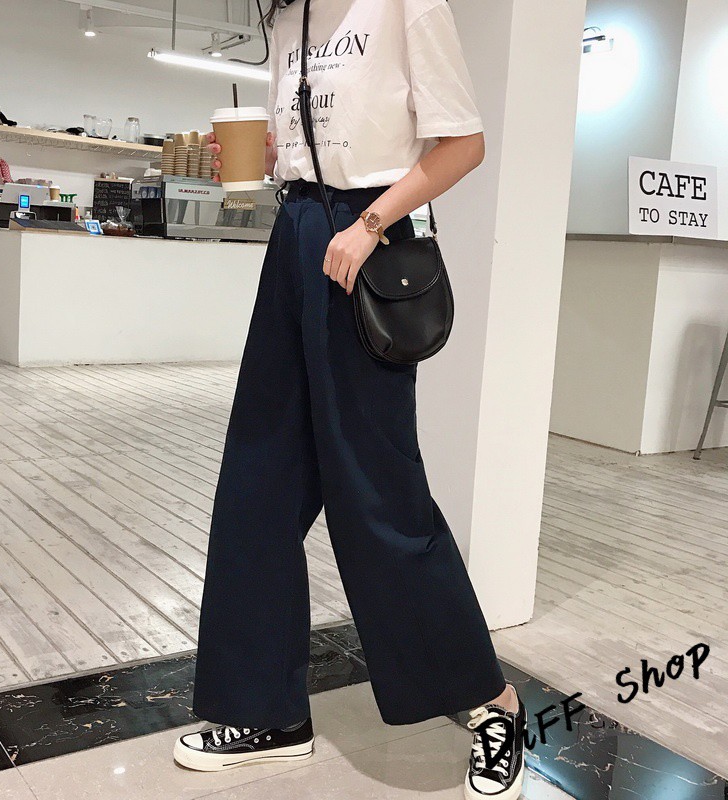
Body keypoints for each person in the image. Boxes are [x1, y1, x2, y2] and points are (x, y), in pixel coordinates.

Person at [173, 1, 526, 797]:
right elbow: (314, 147)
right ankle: (267, 712)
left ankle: (491, 698)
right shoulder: (288, 15)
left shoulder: (406, 4)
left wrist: (371, 222)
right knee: (257, 486)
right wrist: (274, 153)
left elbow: (463, 143)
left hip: (368, 243)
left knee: (378, 496)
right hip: (296, 233)